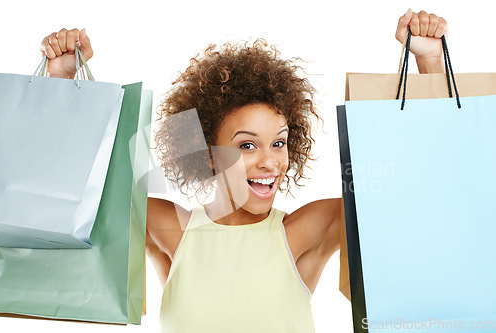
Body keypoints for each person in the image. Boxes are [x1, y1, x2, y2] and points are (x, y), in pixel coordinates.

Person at [40, 9, 447, 332]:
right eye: (247, 145)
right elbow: (72, 197)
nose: (270, 161)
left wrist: (429, 61)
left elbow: (414, 186)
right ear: (208, 153)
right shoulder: (171, 230)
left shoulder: (305, 230)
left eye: (279, 142)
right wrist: (61, 82)